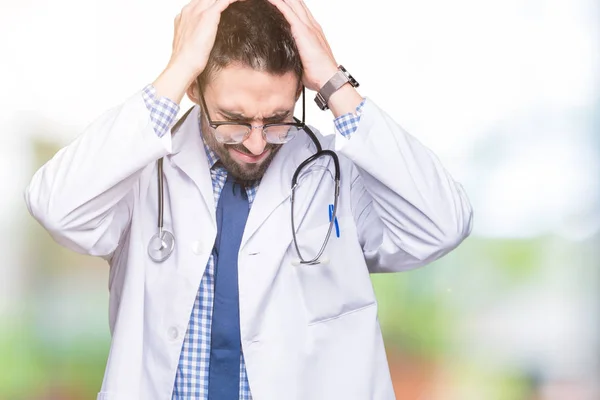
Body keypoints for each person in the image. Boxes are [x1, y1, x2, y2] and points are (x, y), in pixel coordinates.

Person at [24, 0, 473, 398]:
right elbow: (57, 206)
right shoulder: (144, 171)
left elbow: (443, 224)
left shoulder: (336, 175)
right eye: (234, 120)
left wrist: (334, 83)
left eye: (277, 119)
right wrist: (177, 70)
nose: (257, 143)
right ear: (195, 91)